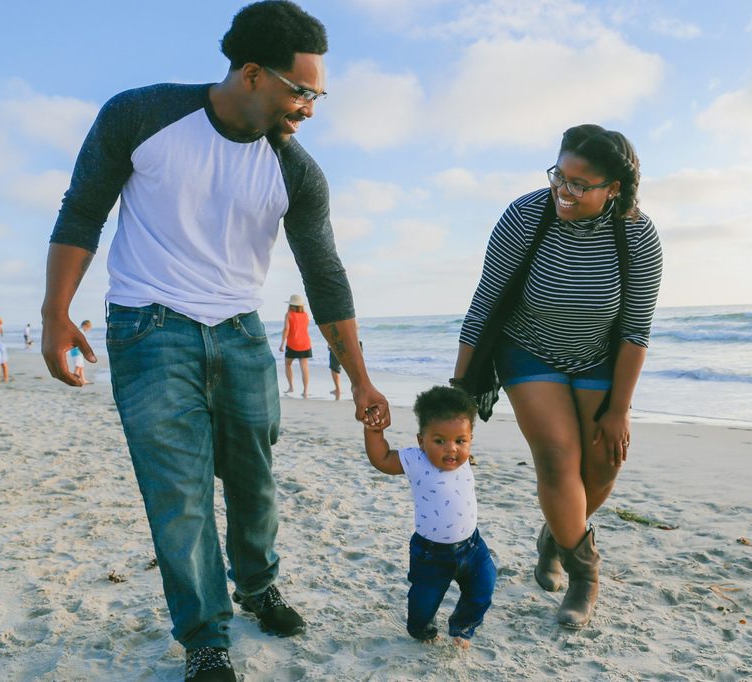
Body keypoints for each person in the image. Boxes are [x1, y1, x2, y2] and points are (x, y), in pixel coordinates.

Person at [40, 2, 390, 679]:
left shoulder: (296, 171)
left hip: (240, 336)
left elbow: (325, 275)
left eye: (317, 94)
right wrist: (57, 311)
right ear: (254, 75)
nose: (311, 108)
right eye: (303, 91)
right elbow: (83, 208)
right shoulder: (140, 115)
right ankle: (206, 634)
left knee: (256, 484)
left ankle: (257, 586)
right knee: (179, 494)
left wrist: (363, 377)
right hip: (148, 330)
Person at [453, 124, 663, 629]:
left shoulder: (637, 234)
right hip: (528, 350)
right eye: (559, 176)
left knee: (602, 466)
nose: (563, 192)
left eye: (579, 184)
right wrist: (459, 393)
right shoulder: (527, 214)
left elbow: (636, 330)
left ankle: (556, 535)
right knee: (557, 459)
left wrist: (619, 410)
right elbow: (486, 301)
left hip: (598, 357)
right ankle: (585, 574)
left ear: (614, 187)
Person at [362, 385, 496, 649]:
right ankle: (422, 629)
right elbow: (381, 459)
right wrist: (374, 432)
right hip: (431, 554)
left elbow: (460, 454)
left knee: (483, 589)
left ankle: (462, 626)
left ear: (470, 439)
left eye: (460, 441)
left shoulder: (464, 458)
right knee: (424, 602)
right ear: (421, 440)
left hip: (472, 546)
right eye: (439, 441)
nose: (451, 450)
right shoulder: (416, 459)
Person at [279, 294, 312, 398]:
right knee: (304, 367)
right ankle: (305, 391)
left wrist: (282, 343)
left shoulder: (288, 314)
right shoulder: (306, 315)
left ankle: (291, 387)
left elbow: (286, 329)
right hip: (305, 343)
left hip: (293, 344)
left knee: (288, 364)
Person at [68, 320, 93, 384]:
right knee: (78, 366)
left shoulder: (79, 330)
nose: (88, 330)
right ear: (85, 326)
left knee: (81, 366)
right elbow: (80, 342)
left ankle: (83, 380)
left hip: (78, 351)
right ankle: (74, 378)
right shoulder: (80, 331)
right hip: (76, 351)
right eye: (88, 328)